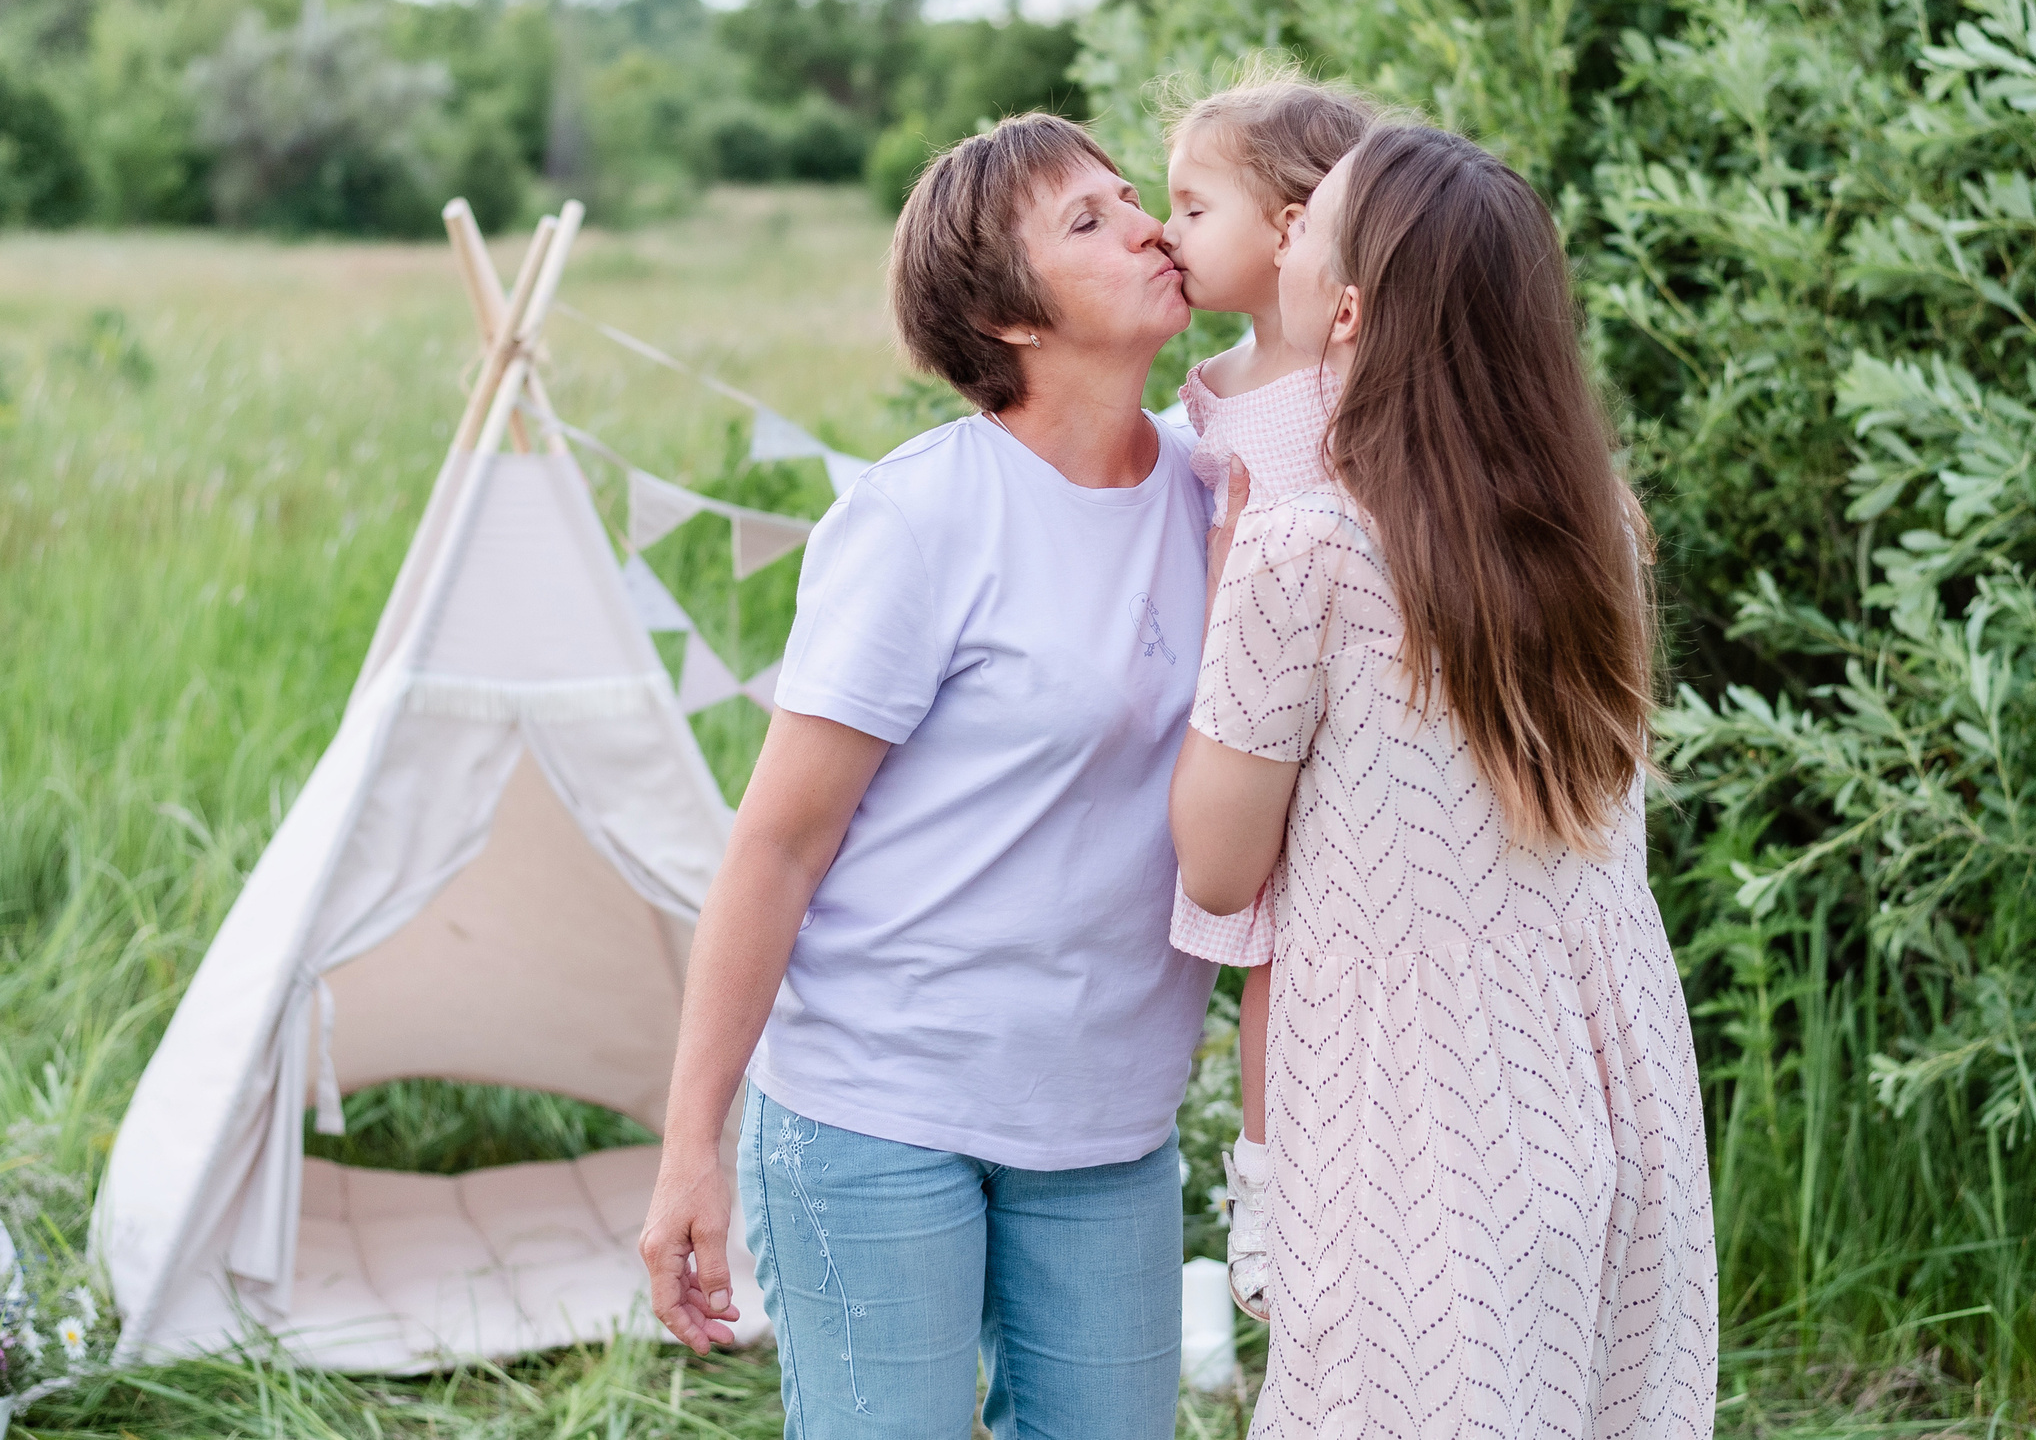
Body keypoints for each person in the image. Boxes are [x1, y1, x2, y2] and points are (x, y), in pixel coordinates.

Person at [638, 113, 1218, 1439]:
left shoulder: (1221, 495)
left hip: (1109, 1115)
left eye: (1134, 198)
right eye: (1088, 219)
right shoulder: (919, 518)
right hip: (878, 1104)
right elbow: (776, 849)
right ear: (1006, 314)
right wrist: (691, 1148)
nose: (1146, 224)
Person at [1169, 124, 1719, 1436]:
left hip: (1413, 1098)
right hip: (1610, 1057)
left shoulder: (1303, 548)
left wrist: (1225, 574)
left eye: (1312, 226)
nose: (1285, 237)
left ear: (1345, 310)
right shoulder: (1597, 519)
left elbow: (1218, 861)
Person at [1154, 69, 1380, 1323]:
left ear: (1294, 227)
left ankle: (1297, 1177)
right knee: (1262, 956)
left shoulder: (1354, 382)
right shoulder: (1209, 386)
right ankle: (1265, 1183)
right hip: (1235, 704)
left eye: (1194, 208)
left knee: (1307, 961)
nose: (1167, 234)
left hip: (1340, 706)